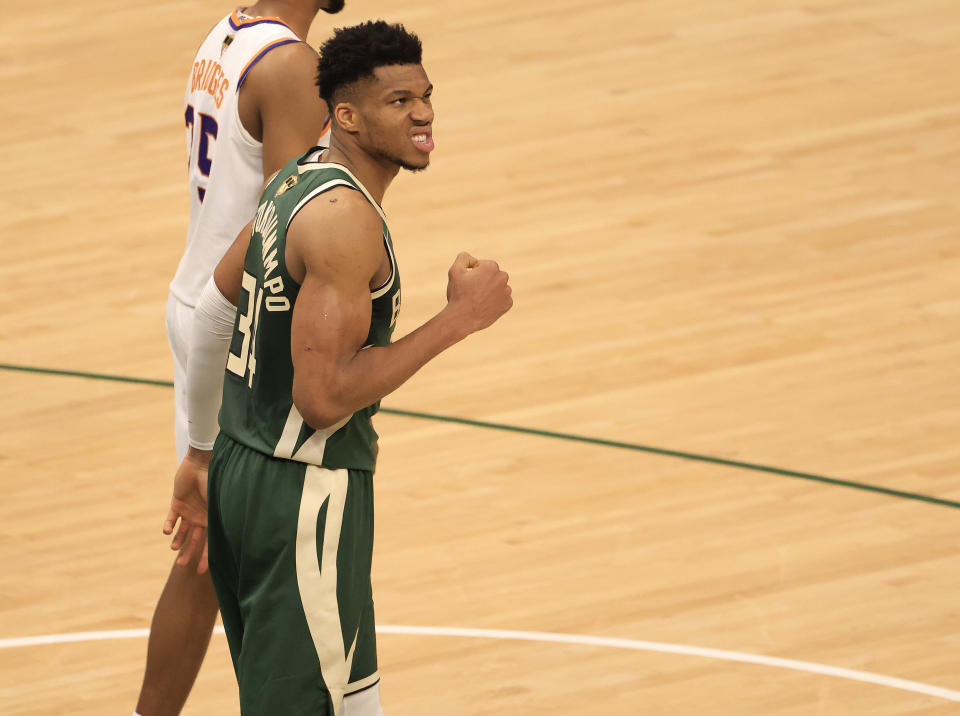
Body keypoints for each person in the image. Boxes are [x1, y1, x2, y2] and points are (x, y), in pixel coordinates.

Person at [164, 20, 514, 715]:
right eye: (398, 101)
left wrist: (202, 451)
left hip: (244, 466)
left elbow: (213, 308)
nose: (423, 113)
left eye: (425, 94)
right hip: (303, 494)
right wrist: (459, 319)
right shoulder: (343, 222)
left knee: (351, 699)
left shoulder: (295, 175)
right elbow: (323, 399)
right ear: (346, 115)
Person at [138, 3, 346, 715]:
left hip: (196, 298)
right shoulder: (293, 67)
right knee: (275, 565)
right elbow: (289, 219)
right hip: (239, 323)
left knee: (203, 560)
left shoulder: (227, 33)